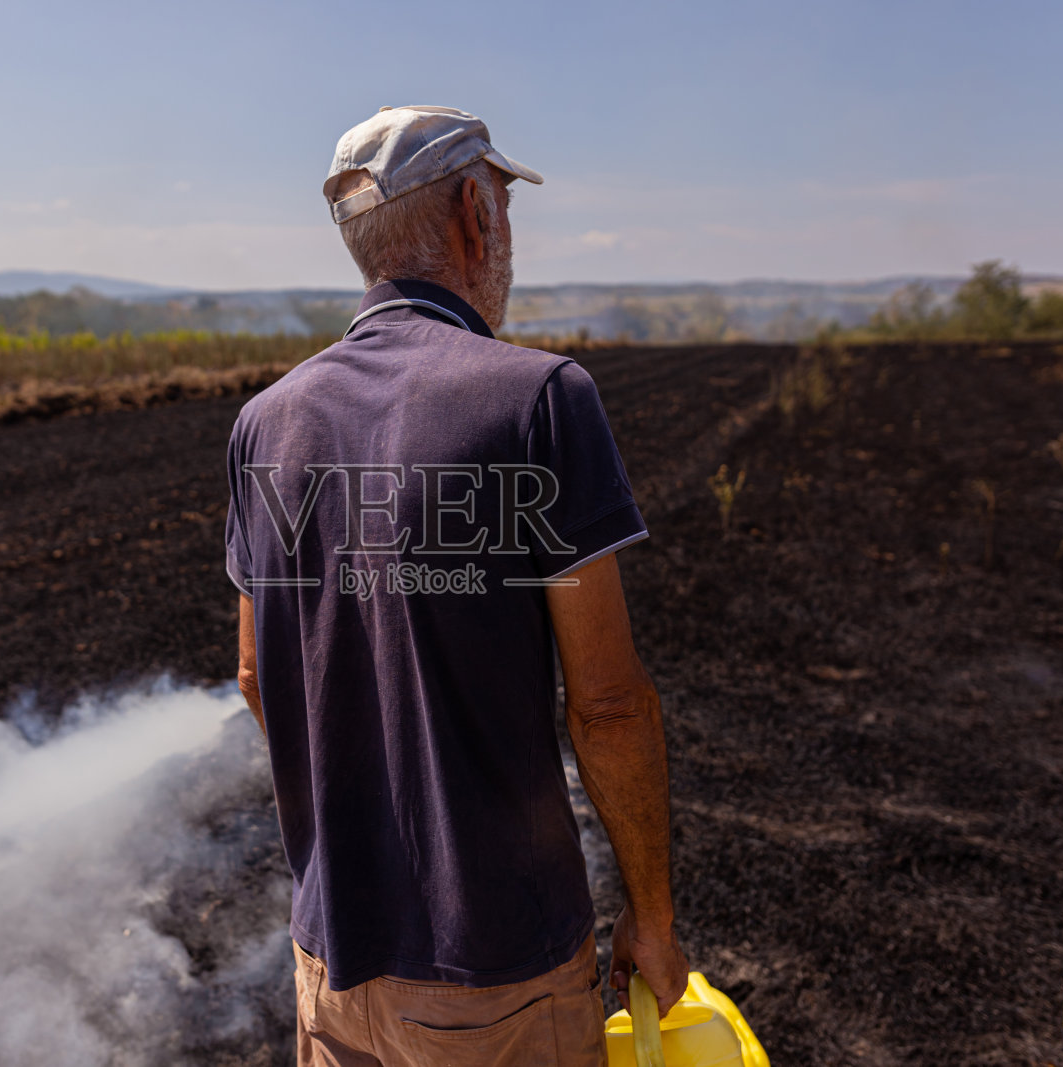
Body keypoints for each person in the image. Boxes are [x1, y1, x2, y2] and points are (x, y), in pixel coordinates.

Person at [224, 105, 688, 1065]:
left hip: (329, 962)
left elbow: (258, 678)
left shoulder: (265, 424)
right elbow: (605, 705)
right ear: (476, 214)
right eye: (506, 208)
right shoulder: (540, 400)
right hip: (498, 973)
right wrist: (653, 917)